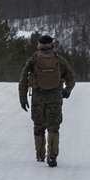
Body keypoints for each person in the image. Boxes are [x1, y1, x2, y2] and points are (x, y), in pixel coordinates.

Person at [18, 34, 76, 167]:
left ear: (39, 45)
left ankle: (39, 155)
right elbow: (71, 77)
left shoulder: (33, 60)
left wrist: (23, 98)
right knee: (53, 127)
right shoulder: (59, 60)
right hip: (55, 98)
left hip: (38, 98)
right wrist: (67, 91)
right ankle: (52, 156)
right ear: (51, 45)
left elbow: (23, 80)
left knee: (39, 127)